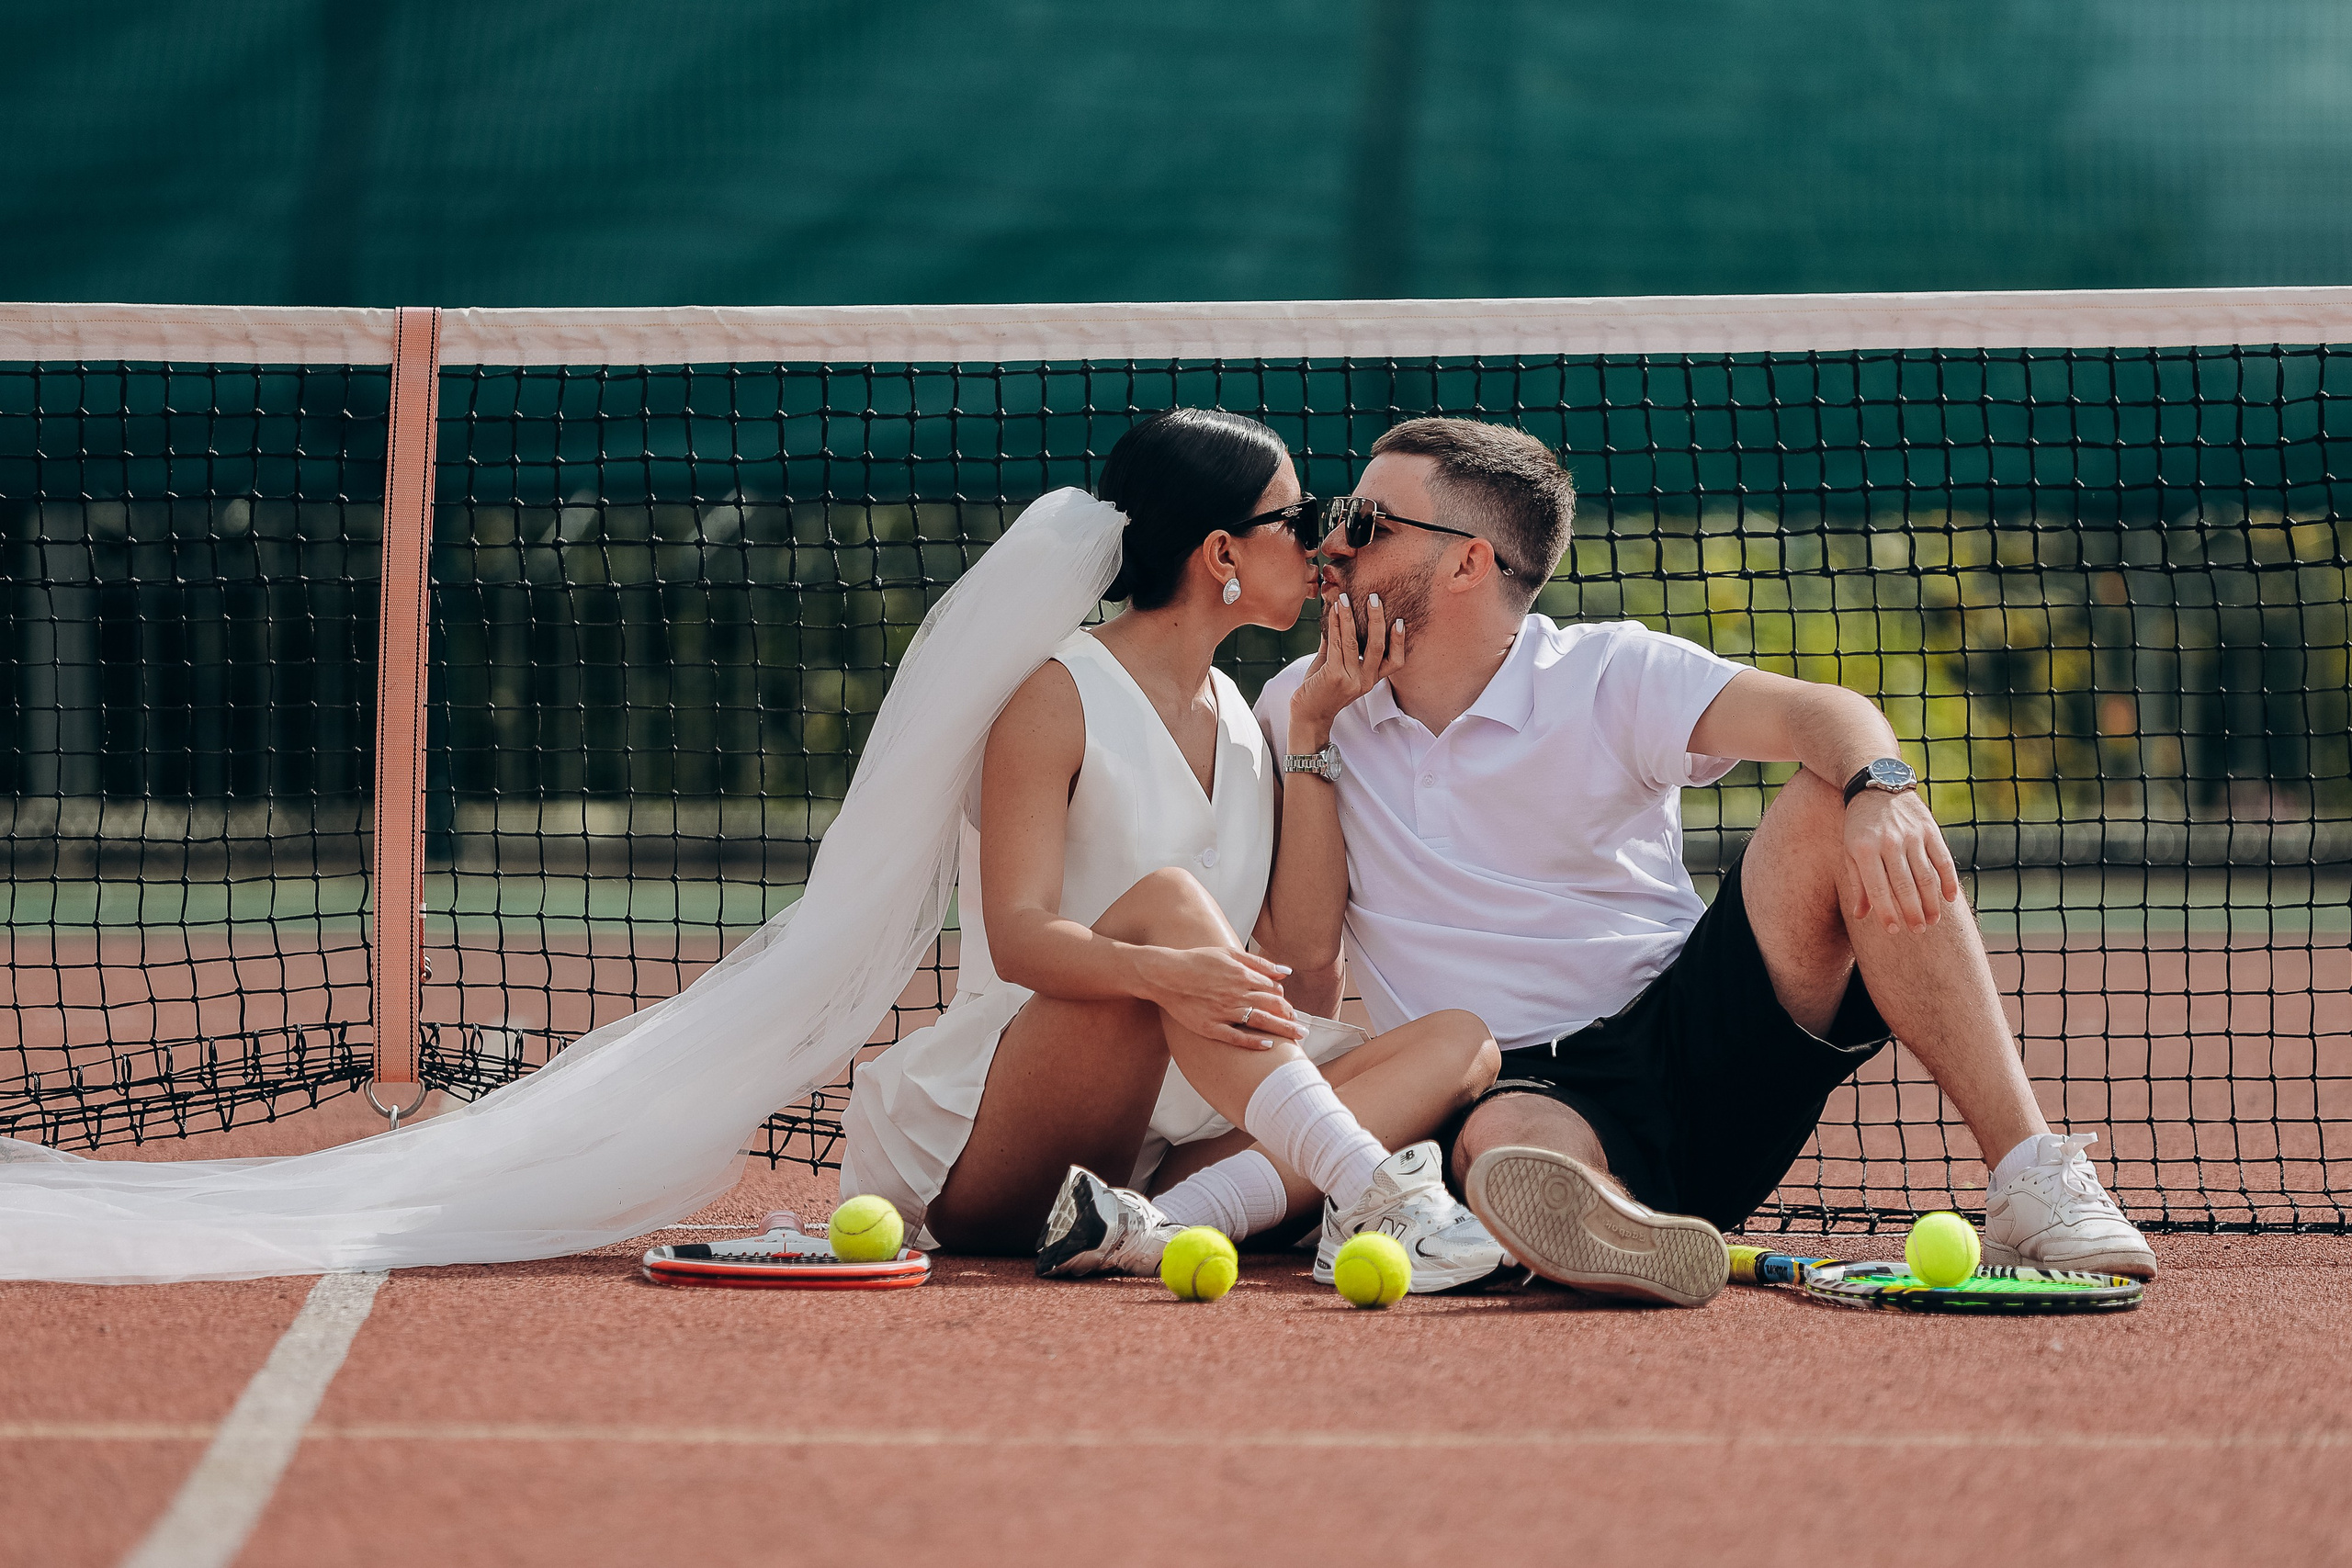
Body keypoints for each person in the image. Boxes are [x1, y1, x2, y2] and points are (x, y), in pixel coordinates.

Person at [1254, 416, 2159, 1308]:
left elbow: (1823, 710)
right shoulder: (1300, 707)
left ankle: (2031, 1175)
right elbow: (1303, 963)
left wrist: (1881, 791)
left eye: (1366, 523)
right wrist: (1310, 732)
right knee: (1506, 1140)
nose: (1330, 543)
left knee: (1828, 796)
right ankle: (1618, 1230)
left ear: (1468, 561)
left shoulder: (1610, 671)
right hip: (1513, 1085)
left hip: (1696, 1038)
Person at [839, 408, 1506, 1292]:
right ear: (1222, 555)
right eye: (1298, 522)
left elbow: (1306, 961)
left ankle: (1158, 1221)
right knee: (1167, 904)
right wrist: (1161, 974)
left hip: (1169, 1144)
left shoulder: (1247, 712)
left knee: (1463, 1043)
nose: (1324, 545)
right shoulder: (1055, 694)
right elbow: (1020, 937)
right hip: (1013, 1132)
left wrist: (1313, 720)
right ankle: (1377, 1190)